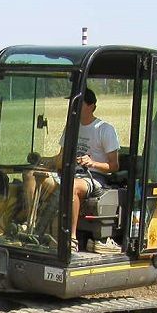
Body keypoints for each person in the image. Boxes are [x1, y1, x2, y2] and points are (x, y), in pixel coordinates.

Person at [21, 88, 120, 253]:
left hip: (94, 178)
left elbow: (114, 166)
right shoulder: (71, 127)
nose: (73, 108)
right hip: (68, 173)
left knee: (71, 186)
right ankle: (30, 225)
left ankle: (71, 239)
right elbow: (60, 159)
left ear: (91, 106)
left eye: (79, 104)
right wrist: (44, 162)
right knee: (31, 175)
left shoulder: (105, 129)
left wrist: (92, 163)